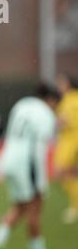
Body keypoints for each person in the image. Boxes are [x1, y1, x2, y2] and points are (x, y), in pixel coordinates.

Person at [0, 83, 63, 249]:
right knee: (35, 205)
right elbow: (43, 143)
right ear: (51, 100)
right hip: (27, 163)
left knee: (20, 205)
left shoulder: (21, 104)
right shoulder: (46, 113)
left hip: (8, 158)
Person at [54, 73, 78, 224]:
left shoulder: (68, 100)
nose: (59, 86)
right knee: (72, 173)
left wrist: (54, 122)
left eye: (61, 83)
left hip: (69, 141)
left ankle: (76, 206)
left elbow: (64, 121)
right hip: (73, 140)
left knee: (61, 172)